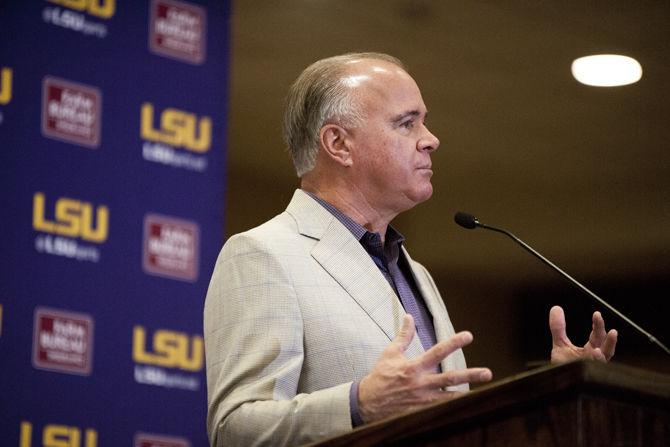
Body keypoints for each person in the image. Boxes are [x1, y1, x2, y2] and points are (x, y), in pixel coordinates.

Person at [203, 52, 618, 446]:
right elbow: (234, 429)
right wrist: (359, 403)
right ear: (338, 143)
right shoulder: (262, 254)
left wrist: (554, 393)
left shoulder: (416, 274)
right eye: (407, 124)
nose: (431, 140)